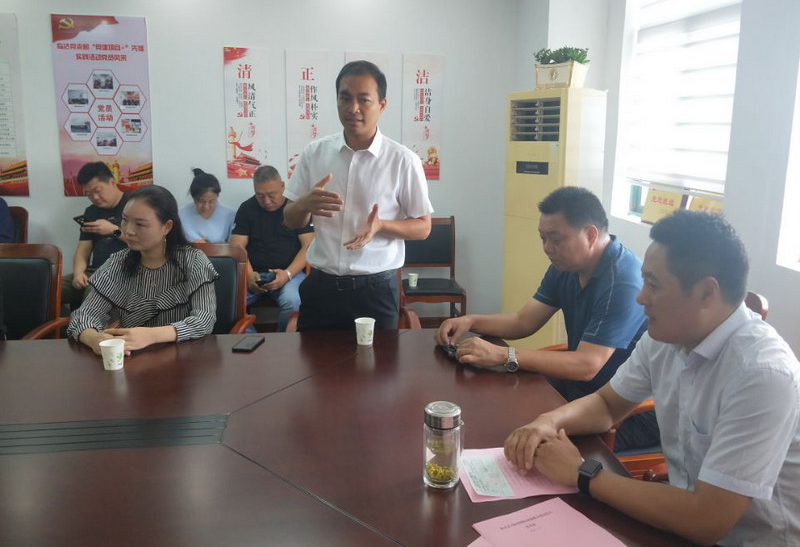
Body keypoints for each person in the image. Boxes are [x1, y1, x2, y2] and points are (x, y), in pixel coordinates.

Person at [504, 211, 800, 547]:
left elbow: (708, 520)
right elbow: (606, 405)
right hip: (678, 517)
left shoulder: (762, 375)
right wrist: (548, 421)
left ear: (706, 292)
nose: (640, 297)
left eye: (653, 284)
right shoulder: (665, 337)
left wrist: (582, 473)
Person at [435, 186, 655, 451]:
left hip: (626, 411)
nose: (548, 248)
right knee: (494, 406)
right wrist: (471, 321)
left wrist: (505, 355)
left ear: (590, 235)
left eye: (556, 239)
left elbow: (587, 365)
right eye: (543, 238)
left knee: (524, 442)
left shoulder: (623, 280)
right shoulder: (565, 267)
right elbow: (523, 321)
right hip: (581, 392)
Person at [284, 60, 433, 331]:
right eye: (345, 98)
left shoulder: (403, 160)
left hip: (374, 291)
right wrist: (305, 204)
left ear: (382, 105)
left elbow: (423, 227)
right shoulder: (315, 153)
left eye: (364, 100)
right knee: (313, 359)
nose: (353, 108)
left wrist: (381, 225)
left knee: (376, 360)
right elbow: (290, 219)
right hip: (321, 287)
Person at [67, 185, 217, 354]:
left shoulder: (193, 261)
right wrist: (95, 339)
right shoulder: (118, 263)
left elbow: (204, 320)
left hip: (185, 359)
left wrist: (152, 336)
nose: (128, 230)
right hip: (133, 360)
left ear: (167, 227)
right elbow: (84, 316)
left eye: (140, 224)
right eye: (124, 220)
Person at [230, 165, 313, 332]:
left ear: (282, 186)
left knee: (293, 302)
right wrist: (249, 274)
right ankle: (250, 340)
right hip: (254, 274)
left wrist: (287, 274)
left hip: (289, 274)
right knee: (227, 303)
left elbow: (308, 246)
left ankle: (280, 342)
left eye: (271, 195)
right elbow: (237, 246)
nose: (266, 201)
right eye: (260, 196)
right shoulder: (247, 208)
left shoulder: (296, 208)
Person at [62, 162, 128, 312]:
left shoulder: (134, 206)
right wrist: (78, 273)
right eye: (88, 194)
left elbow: (145, 242)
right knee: (47, 288)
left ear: (112, 182)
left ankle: (84, 325)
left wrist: (113, 230)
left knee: (93, 291)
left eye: (98, 191)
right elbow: (83, 249)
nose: (95, 197)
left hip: (123, 272)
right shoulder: (91, 212)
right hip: (94, 271)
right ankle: (62, 325)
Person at [179, 168, 235, 243]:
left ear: (217, 196)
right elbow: (175, 244)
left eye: (211, 201)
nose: (206, 207)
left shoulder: (229, 214)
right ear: (193, 198)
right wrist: (192, 246)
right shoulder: (181, 214)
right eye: (201, 201)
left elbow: (232, 246)